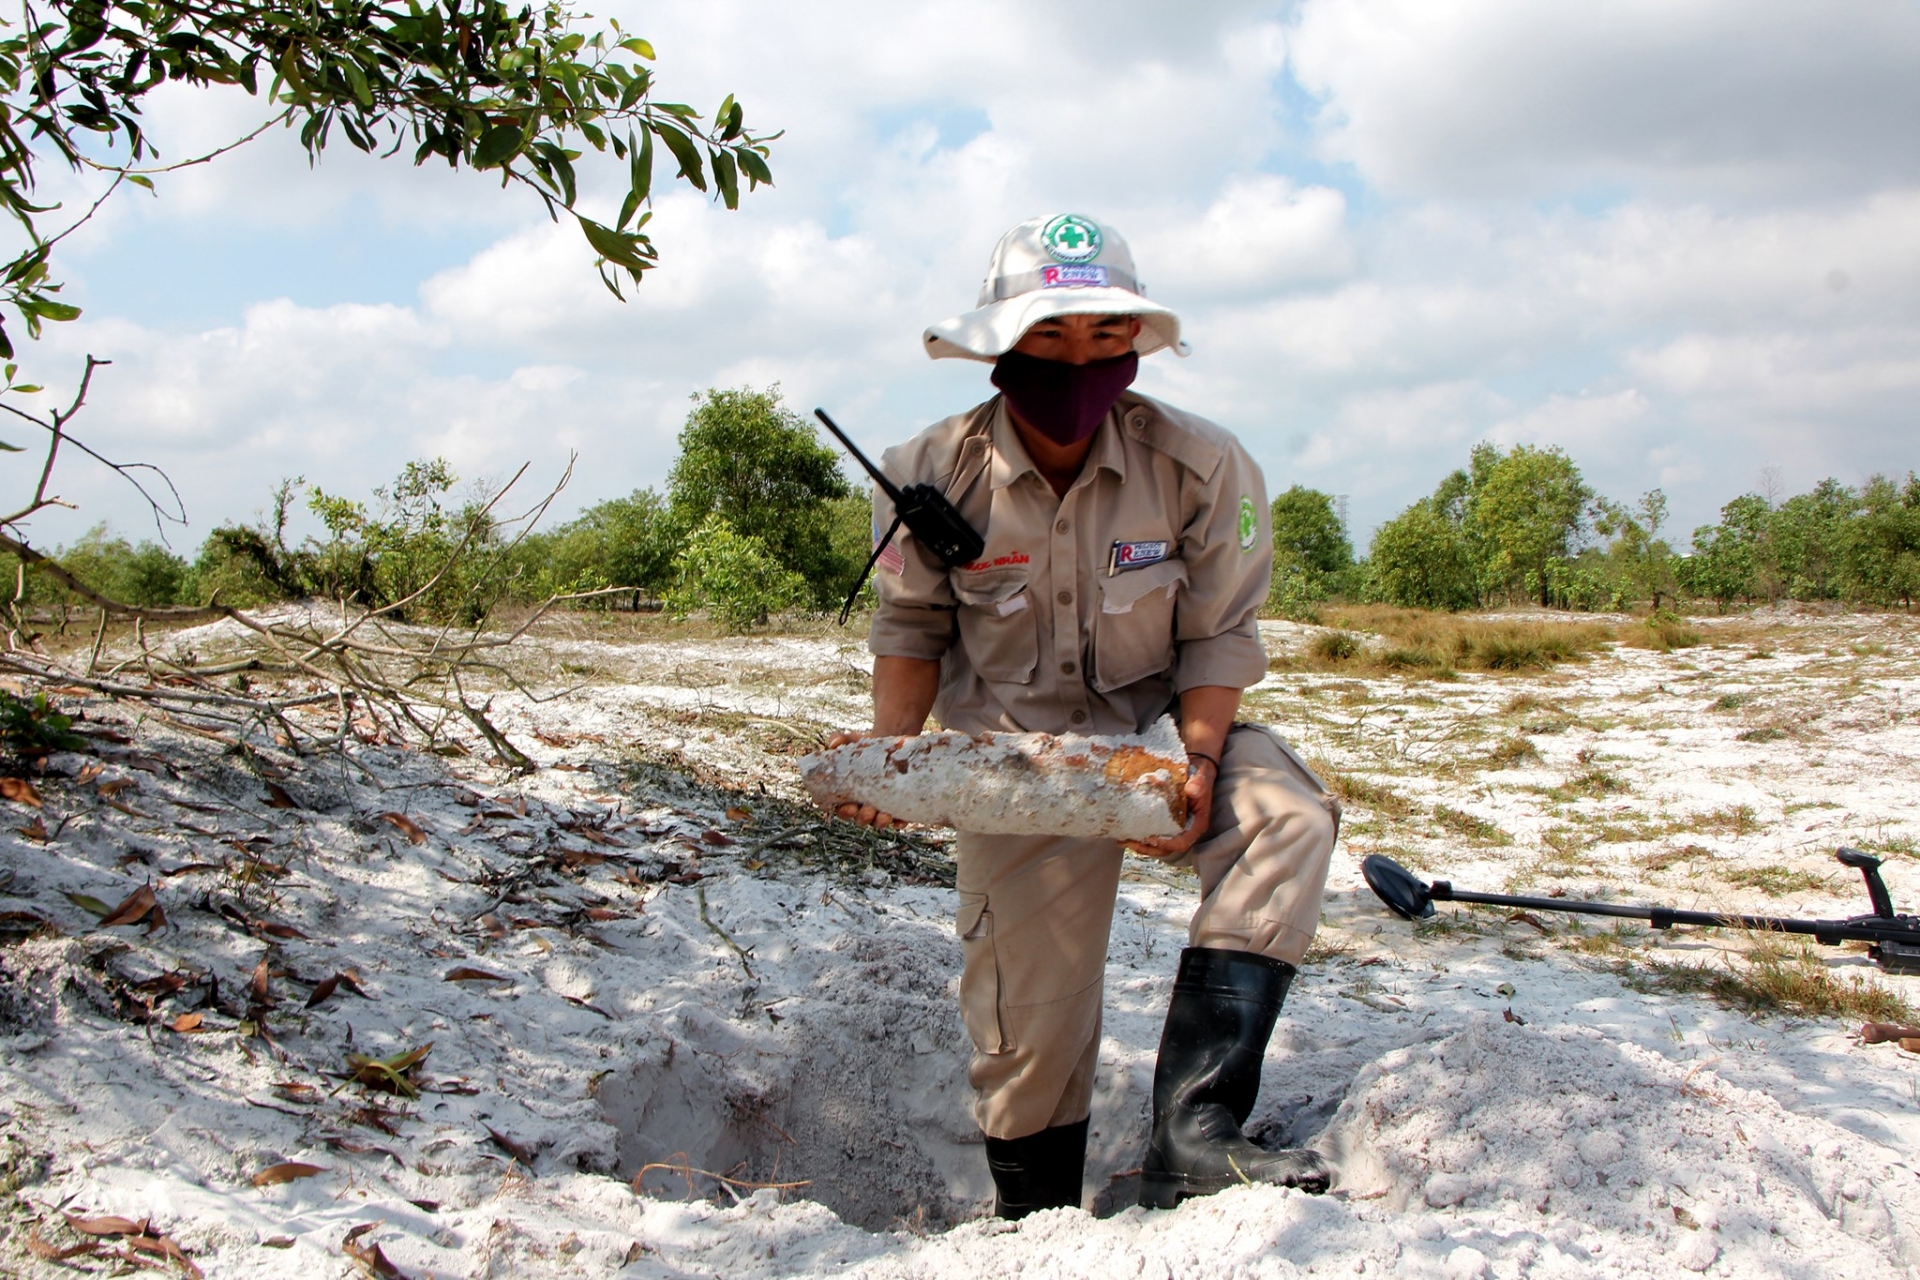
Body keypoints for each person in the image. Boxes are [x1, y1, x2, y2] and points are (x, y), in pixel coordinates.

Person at [824, 214, 1339, 1217]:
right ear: (1002, 343)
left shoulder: (1201, 464)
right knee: (1026, 1030)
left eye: (1106, 337)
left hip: (1160, 726)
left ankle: (1196, 1131)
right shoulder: (928, 469)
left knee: (1289, 816)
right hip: (1012, 756)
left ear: (1135, 344)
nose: (1079, 361)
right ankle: (1037, 1218)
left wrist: (1196, 761)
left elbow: (1221, 635)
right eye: (1052, 335)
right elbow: (912, 624)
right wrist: (890, 761)